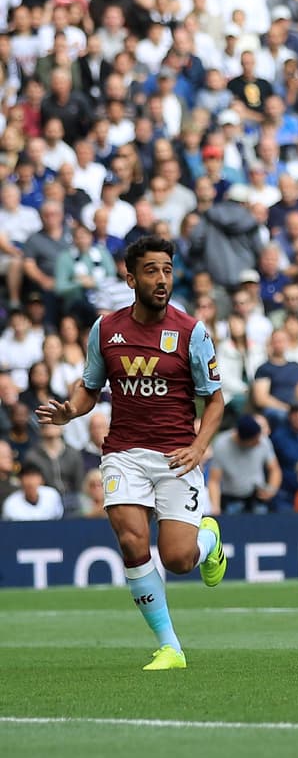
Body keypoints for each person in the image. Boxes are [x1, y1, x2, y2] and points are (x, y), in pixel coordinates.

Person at [35, 236, 227, 671]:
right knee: (131, 541)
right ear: (130, 277)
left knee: (178, 559)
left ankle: (209, 538)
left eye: (167, 270)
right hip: (123, 452)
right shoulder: (105, 330)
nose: (162, 280)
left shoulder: (191, 332)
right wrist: (71, 411)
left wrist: (199, 447)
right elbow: (89, 389)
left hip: (176, 455)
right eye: (151, 271)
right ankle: (170, 647)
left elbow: (215, 399)